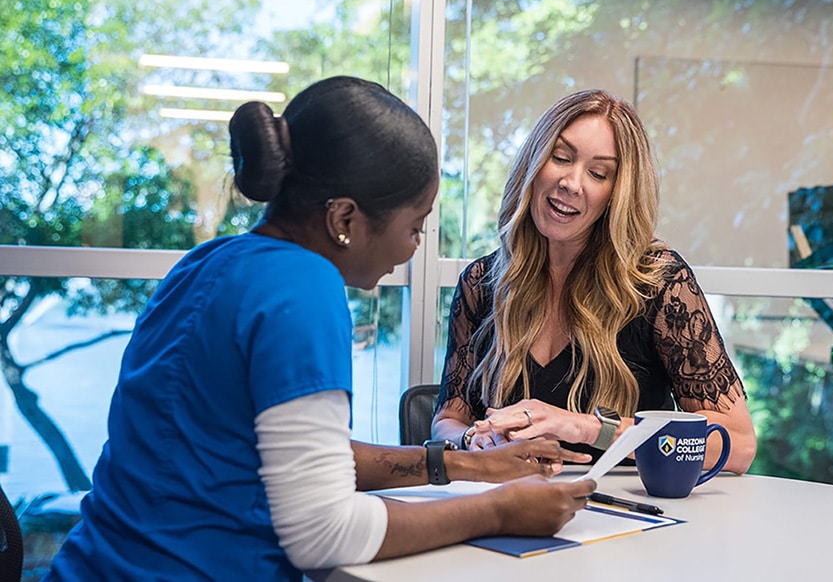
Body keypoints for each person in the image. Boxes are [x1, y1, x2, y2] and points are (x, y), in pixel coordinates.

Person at [45, 76, 595, 581]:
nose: (414, 247)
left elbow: (294, 451)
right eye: (414, 226)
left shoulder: (205, 263)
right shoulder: (303, 289)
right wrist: (499, 510)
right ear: (344, 220)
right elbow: (321, 534)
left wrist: (462, 465)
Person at [431, 88, 757, 474]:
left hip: (630, 520)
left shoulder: (658, 283)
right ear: (534, 164)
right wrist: (476, 440)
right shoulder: (481, 282)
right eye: (561, 157)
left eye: (598, 173)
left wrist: (587, 427)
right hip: (510, 510)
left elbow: (738, 444)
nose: (572, 182)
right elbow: (448, 421)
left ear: (616, 194)